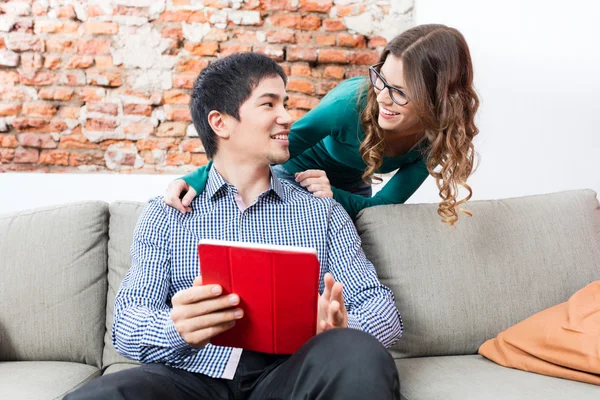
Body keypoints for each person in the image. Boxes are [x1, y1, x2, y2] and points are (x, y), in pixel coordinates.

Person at [65, 52, 402, 400]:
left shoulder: (321, 210)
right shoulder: (166, 214)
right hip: (193, 377)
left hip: (287, 377)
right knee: (101, 395)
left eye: (284, 103)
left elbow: (381, 308)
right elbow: (126, 322)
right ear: (220, 123)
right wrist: (175, 328)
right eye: (269, 104)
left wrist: (341, 329)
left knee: (359, 355)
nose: (286, 117)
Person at [165, 24, 479, 225]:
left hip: (350, 187)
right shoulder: (348, 104)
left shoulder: (438, 137)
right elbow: (271, 146)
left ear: (438, 101)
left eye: (399, 92)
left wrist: (335, 195)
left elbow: (384, 206)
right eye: (382, 79)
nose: (383, 97)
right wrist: (198, 178)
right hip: (295, 170)